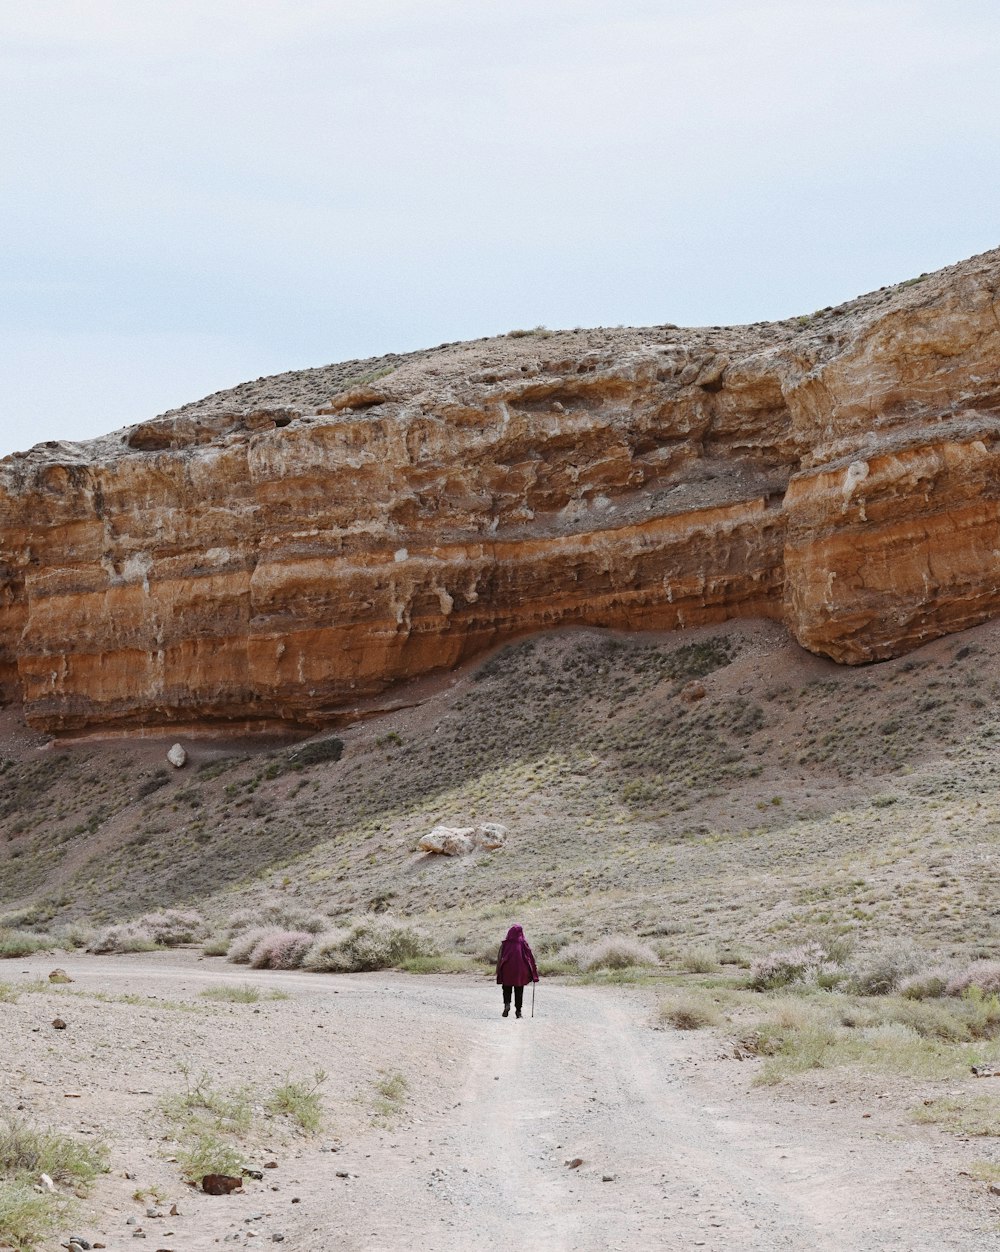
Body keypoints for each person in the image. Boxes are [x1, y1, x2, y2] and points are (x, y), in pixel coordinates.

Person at [495, 923, 539, 1018]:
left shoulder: (505, 944)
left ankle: (507, 1004)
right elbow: (530, 958)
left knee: (506, 989)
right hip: (520, 972)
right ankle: (518, 1012)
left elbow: (499, 958)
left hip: (507, 970)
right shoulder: (523, 943)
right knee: (519, 990)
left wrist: (499, 971)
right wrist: (534, 971)